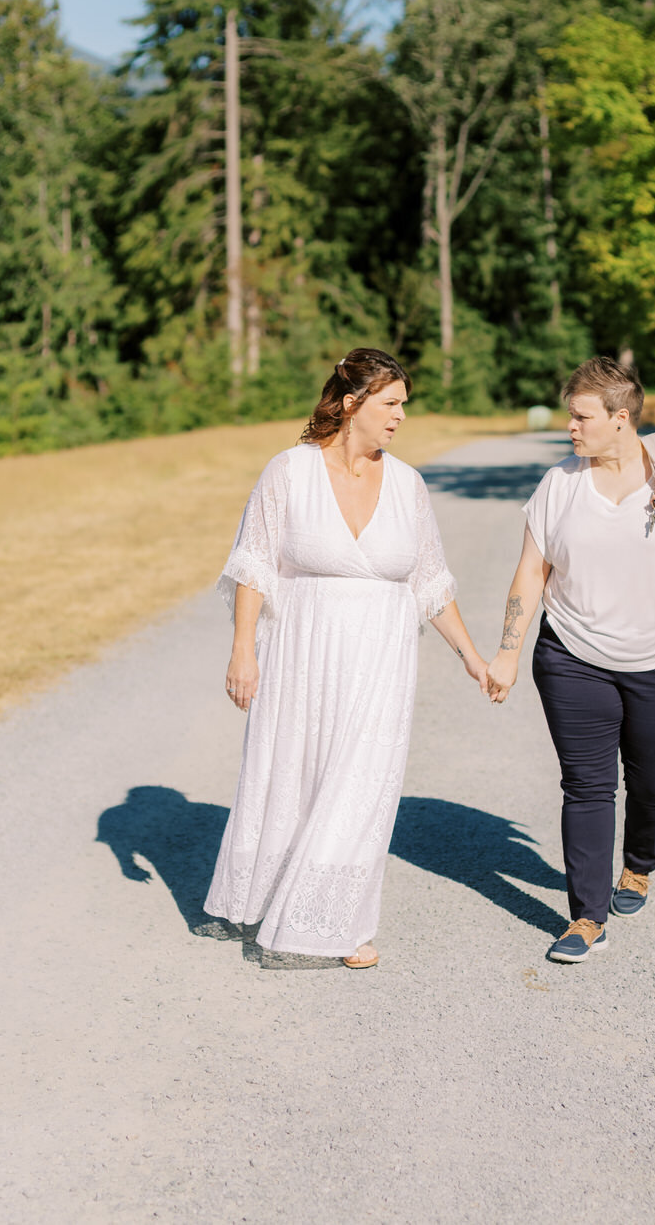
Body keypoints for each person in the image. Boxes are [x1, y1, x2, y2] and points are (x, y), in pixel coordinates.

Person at [202, 348, 489, 969]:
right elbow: (254, 564)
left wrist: (472, 656)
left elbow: (430, 582)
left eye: (404, 404)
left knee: (363, 786)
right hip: (302, 654)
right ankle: (276, 900)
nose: (401, 416)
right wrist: (243, 650)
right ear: (352, 403)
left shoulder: (409, 484)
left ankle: (333, 921)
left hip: (382, 662)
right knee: (295, 776)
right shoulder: (288, 471)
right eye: (391, 403)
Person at [486, 356, 655, 963]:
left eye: (581, 417)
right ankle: (585, 916)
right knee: (588, 786)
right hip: (572, 656)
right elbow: (530, 572)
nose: (571, 427)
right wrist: (508, 652)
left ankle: (641, 865)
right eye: (571, 416)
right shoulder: (559, 484)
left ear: (621, 419)